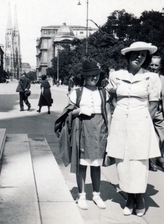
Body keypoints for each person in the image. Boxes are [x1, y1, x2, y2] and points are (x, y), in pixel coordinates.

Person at [106, 41, 161, 217]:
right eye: (136, 54)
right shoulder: (116, 76)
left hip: (141, 123)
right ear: (128, 56)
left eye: (143, 55)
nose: (139, 57)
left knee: (139, 162)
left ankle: (139, 198)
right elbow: (113, 99)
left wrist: (143, 122)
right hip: (120, 122)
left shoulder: (151, 78)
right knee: (123, 162)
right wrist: (117, 114)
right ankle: (129, 198)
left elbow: (153, 104)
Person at [68, 57, 111, 210]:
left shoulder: (103, 92)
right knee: (82, 164)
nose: (94, 78)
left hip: (100, 131)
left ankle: (97, 195)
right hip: (83, 130)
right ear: (84, 76)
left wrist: (110, 133)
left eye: (97, 75)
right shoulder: (77, 92)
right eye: (91, 75)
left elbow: (109, 114)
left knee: (96, 164)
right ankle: (81, 195)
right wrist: (79, 110)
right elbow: (67, 113)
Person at [147, 54, 164, 172]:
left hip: (159, 111)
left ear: (160, 66)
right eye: (152, 64)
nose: (153, 67)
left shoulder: (162, 79)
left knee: (162, 137)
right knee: (148, 136)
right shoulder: (145, 77)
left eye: (156, 65)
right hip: (147, 109)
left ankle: (159, 158)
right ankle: (149, 161)